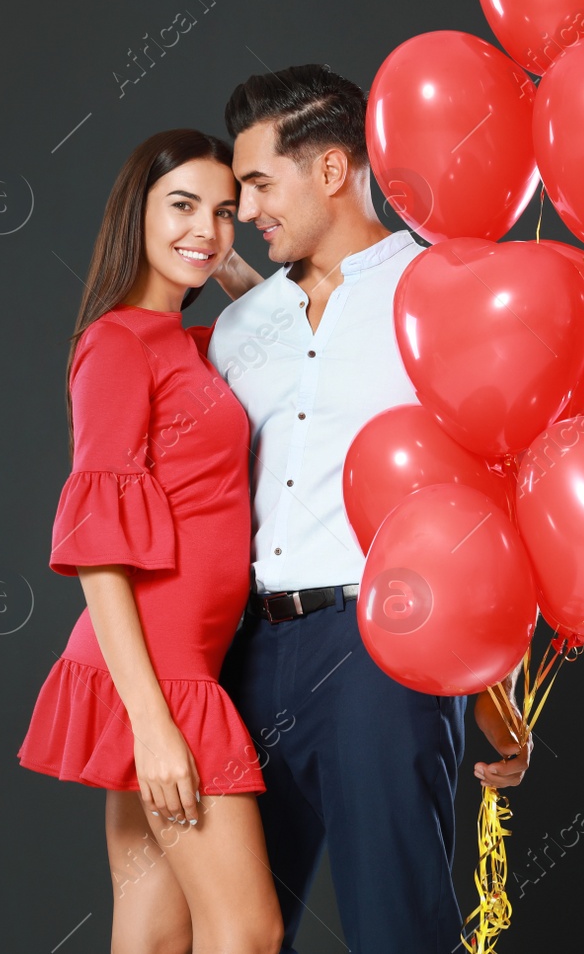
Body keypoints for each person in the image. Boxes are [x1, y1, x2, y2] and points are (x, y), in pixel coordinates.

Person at [207, 64, 530, 953]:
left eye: (260, 184)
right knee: (231, 932)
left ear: (332, 170)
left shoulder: (442, 295)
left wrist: (490, 682)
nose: (247, 208)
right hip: (249, 655)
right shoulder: (240, 330)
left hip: (384, 653)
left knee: (395, 928)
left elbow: (486, 498)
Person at [17, 128, 284, 954]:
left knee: (153, 936)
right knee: (246, 932)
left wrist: (218, 252)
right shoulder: (116, 344)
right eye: (181, 206)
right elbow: (97, 548)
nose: (205, 228)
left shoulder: (184, 344)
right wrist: (155, 722)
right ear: (135, 210)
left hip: (171, 667)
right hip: (159, 674)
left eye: (225, 212)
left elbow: (270, 318)